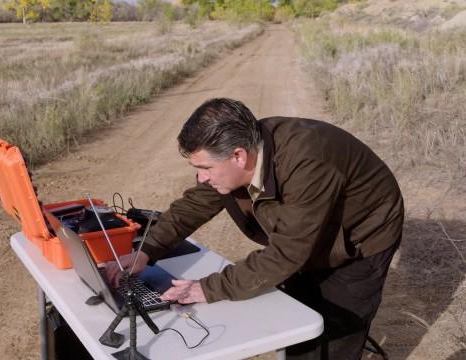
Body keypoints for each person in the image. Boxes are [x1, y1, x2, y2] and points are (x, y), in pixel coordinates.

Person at [106, 98, 404, 359]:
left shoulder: (309, 162)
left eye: (205, 168)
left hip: (362, 235)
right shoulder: (233, 156)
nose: (201, 177)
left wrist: (207, 288)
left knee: (336, 329)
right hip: (306, 233)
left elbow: (287, 253)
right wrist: (146, 250)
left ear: (238, 156)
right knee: (298, 321)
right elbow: (192, 207)